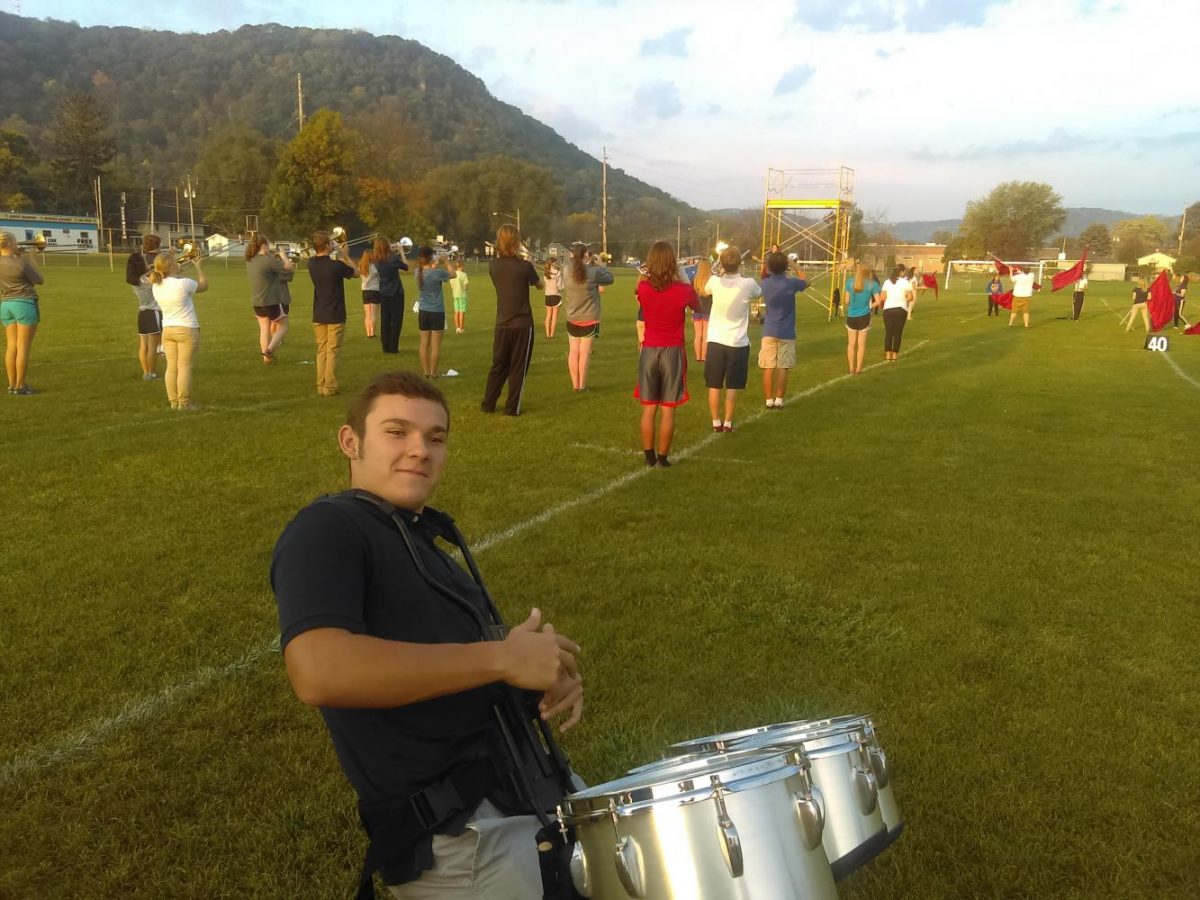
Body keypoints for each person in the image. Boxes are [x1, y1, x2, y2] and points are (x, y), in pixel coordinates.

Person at [271, 371, 584, 900]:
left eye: (435, 438)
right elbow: (318, 669)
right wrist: (499, 659)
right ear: (352, 442)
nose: (420, 450)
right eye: (397, 432)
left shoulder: (414, 534)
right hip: (467, 841)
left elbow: (446, 665)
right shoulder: (328, 527)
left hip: (527, 799)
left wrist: (531, 678)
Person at [634, 242, 700, 468]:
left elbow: (641, 292)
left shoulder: (643, 288)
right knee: (668, 408)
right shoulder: (683, 290)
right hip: (673, 351)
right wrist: (682, 278)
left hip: (649, 350)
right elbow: (698, 306)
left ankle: (648, 455)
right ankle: (663, 457)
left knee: (649, 407)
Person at [482, 224, 542, 415]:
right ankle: (511, 408)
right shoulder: (525, 267)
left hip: (502, 323)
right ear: (517, 242)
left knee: (498, 365)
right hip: (522, 324)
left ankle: (488, 404)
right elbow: (539, 285)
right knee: (518, 367)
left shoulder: (494, 266)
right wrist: (526, 259)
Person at [704, 245, 761, 432]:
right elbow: (758, 293)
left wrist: (720, 272)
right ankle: (727, 423)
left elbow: (706, 290)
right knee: (732, 385)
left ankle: (715, 422)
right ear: (740, 263)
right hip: (737, 343)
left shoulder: (714, 281)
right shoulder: (748, 283)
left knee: (714, 384)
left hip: (715, 341)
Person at [147, 250, 207, 410]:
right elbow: (203, 286)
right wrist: (199, 267)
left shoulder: (156, 285)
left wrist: (178, 271)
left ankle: (174, 402)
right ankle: (184, 403)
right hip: (187, 329)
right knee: (185, 367)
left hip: (168, 330)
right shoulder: (183, 283)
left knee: (172, 367)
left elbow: (172, 280)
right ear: (172, 265)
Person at [559, 242, 614, 392]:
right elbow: (610, 279)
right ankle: (582, 386)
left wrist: (588, 264)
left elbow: (575, 269)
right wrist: (601, 264)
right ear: (586, 255)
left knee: (573, 351)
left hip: (572, 316)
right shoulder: (593, 272)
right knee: (584, 353)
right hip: (590, 317)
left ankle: (574, 384)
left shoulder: (566, 269)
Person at [308, 230, 356, 396]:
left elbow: (320, 256)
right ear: (328, 245)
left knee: (321, 350)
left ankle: (320, 384)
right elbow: (356, 273)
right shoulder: (336, 266)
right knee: (332, 350)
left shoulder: (311, 263)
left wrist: (333, 249)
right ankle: (329, 386)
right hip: (335, 313)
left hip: (319, 312)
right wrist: (346, 255)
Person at [758, 251, 808, 408]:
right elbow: (807, 281)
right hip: (787, 331)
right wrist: (794, 265)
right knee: (783, 367)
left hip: (769, 330)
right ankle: (779, 400)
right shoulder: (791, 283)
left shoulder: (764, 284)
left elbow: (763, 276)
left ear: (770, 267)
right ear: (785, 267)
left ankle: (768, 400)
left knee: (768, 366)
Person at [1, 232, 44, 396]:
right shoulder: (21, 263)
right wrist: (30, 259)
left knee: (11, 346)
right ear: (11, 243)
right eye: (15, 241)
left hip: (6, 305)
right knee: (23, 347)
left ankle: (12, 385)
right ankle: (21, 386)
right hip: (24, 304)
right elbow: (39, 280)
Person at [246, 236, 294, 364]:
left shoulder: (250, 260)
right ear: (263, 245)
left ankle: (266, 360)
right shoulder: (268, 260)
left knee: (264, 330)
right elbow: (288, 269)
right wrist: (283, 255)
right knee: (284, 325)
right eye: (267, 245)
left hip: (257, 303)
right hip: (271, 301)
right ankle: (270, 349)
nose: (269, 248)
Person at [126, 234, 162, 381]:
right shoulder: (149, 279)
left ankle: (146, 372)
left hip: (142, 313)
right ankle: (152, 373)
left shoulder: (137, 280)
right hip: (153, 313)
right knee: (153, 347)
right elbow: (164, 276)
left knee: (144, 346)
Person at [414, 247, 451, 378]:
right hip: (437, 312)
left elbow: (429, 270)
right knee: (435, 346)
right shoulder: (437, 273)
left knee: (424, 343)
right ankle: (434, 373)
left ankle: (426, 372)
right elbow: (453, 274)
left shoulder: (417, 272)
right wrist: (446, 262)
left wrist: (435, 263)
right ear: (430, 257)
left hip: (423, 311)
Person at [843, 262, 880, 374]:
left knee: (851, 344)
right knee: (861, 345)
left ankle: (850, 368)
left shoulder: (849, 282)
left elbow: (846, 301)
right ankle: (858, 369)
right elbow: (878, 301)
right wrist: (869, 306)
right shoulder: (872, 284)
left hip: (851, 316)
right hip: (864, 316)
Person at [378, 237, 411, 354]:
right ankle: (393, 346)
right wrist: (401, 251)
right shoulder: (393, 258)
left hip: (383, 292)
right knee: (396, 320)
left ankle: (385, 345)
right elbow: (406, 267)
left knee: (385, 320)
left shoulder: (377, 259)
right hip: (396, 292)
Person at [879, 264, 913, 361]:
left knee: (889, 332)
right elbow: (910, 297)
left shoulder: (887, 282)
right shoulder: (905, 282)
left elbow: (882, 297)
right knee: (898, 333)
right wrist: (903, 298)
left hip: (888, 309)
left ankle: (887, 354)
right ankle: (895, 355)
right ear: (902, 272)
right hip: (901, 309)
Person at [357, 239, 385, 339]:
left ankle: (368, 332)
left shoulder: (361, 267)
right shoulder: (374, 267)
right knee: (373, 314)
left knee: (367, 314)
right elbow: (380, 276)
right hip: (375, 290)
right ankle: (372, 332)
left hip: (365, 291)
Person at [691, 258, 713, 362]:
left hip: (697, 310)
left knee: (698, 334)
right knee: (705, 335)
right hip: (708, 310)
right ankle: (704, 357)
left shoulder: (695, 279)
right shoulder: (712, 280)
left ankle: (697, 356)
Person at [542, 256, 561, 338]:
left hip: (547, 296)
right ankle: (552, 334)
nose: (557, 264)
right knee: (554, 317)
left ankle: (547, 334)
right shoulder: (557, 273)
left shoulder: (545, 273)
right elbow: (560, 286)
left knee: (548, 315)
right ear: (552, 263)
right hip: (556, 295)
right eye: (555, 263)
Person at [450, 260, 469, 334]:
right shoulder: (464, 275)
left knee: (456, 312)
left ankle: (457, 328)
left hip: (455, 295)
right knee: (462, 312)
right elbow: (466, 285)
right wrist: (465, 288)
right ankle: (461, 328)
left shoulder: (453, 274)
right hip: (462, 296)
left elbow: (451, 285)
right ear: (461, 266)